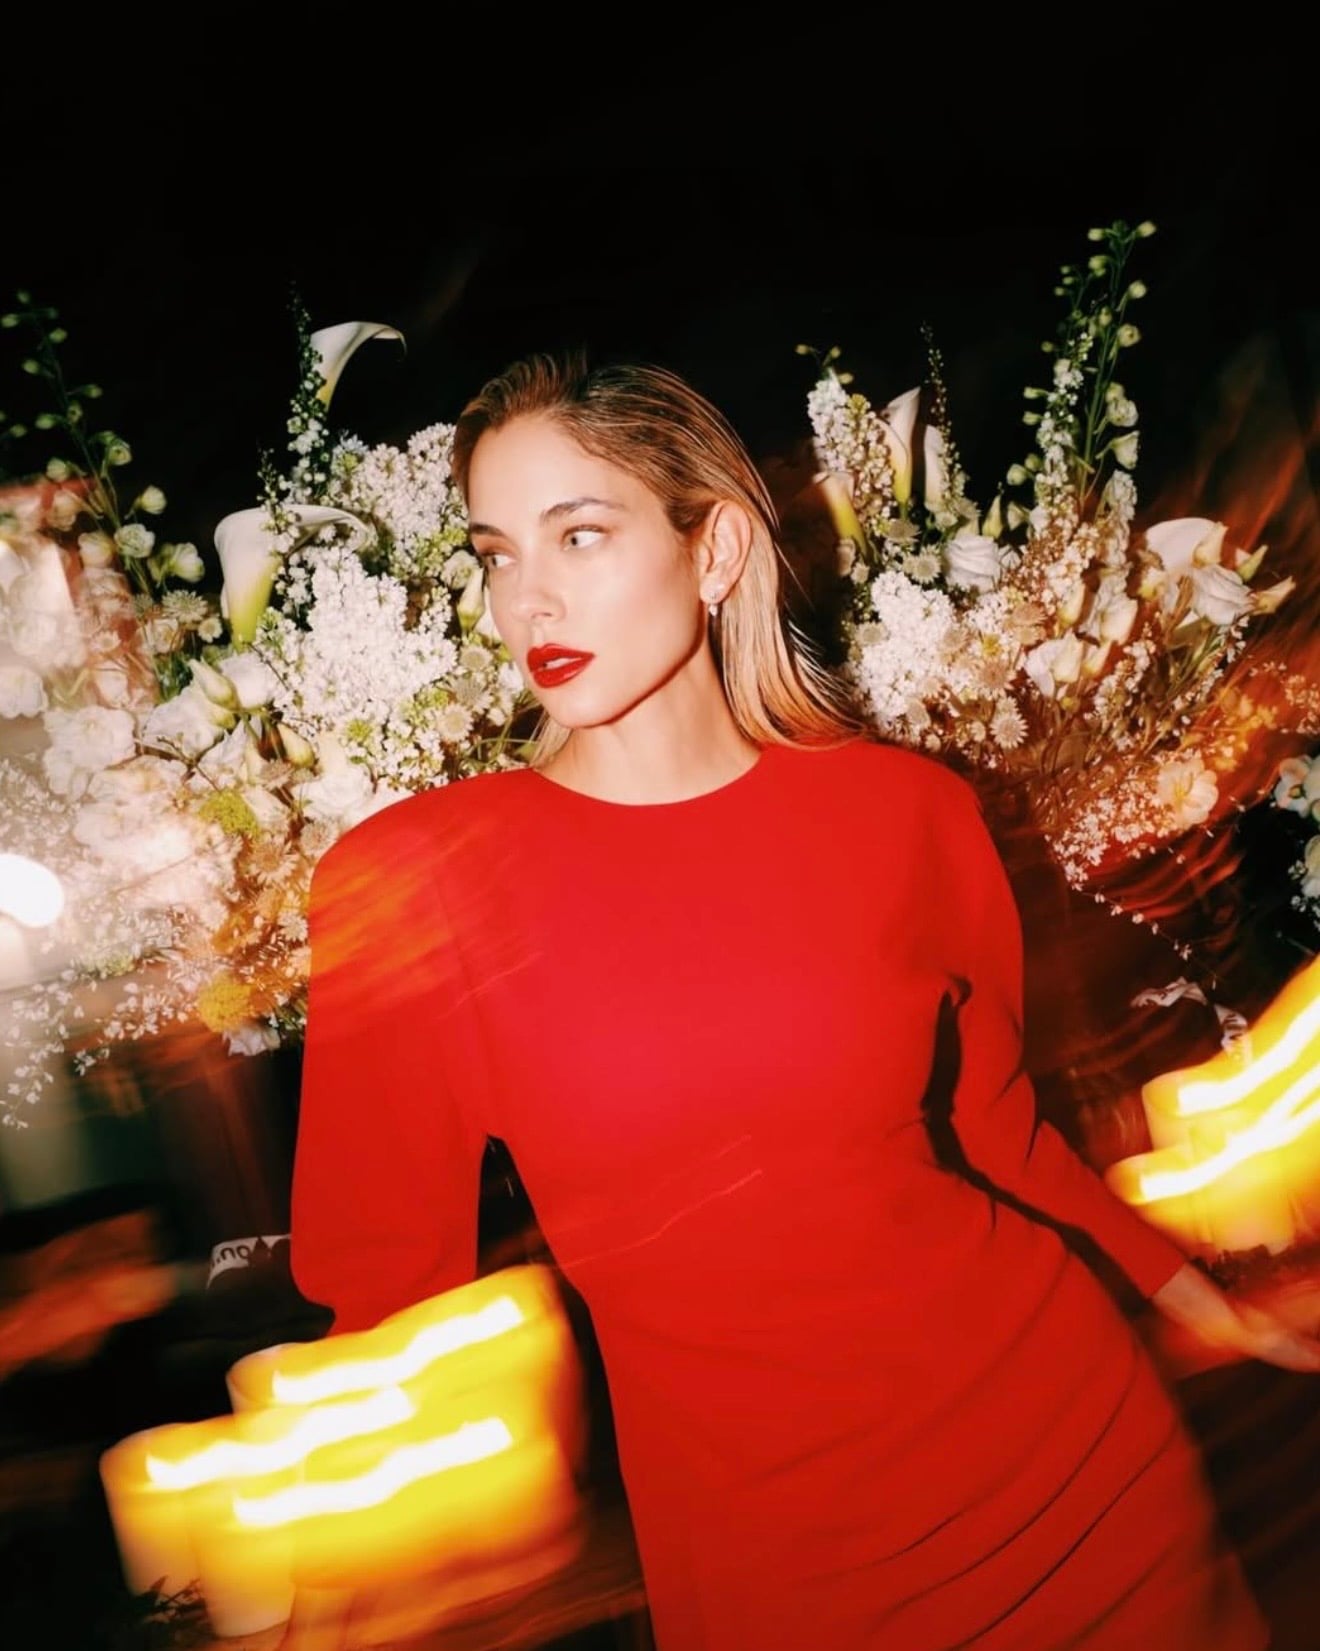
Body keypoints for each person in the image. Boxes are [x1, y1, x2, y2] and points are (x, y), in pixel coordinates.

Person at [288, 351, 1320, 1650]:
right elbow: (387, 1295)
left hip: (1081, 1481)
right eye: (496, 553)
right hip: (776, 1569)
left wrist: (1195, 1296)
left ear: (715, 550)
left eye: (580, 535)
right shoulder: (413, 881)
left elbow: (1000, 1131)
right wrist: (349, 1564)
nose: (525, 597)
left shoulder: (906, 813)